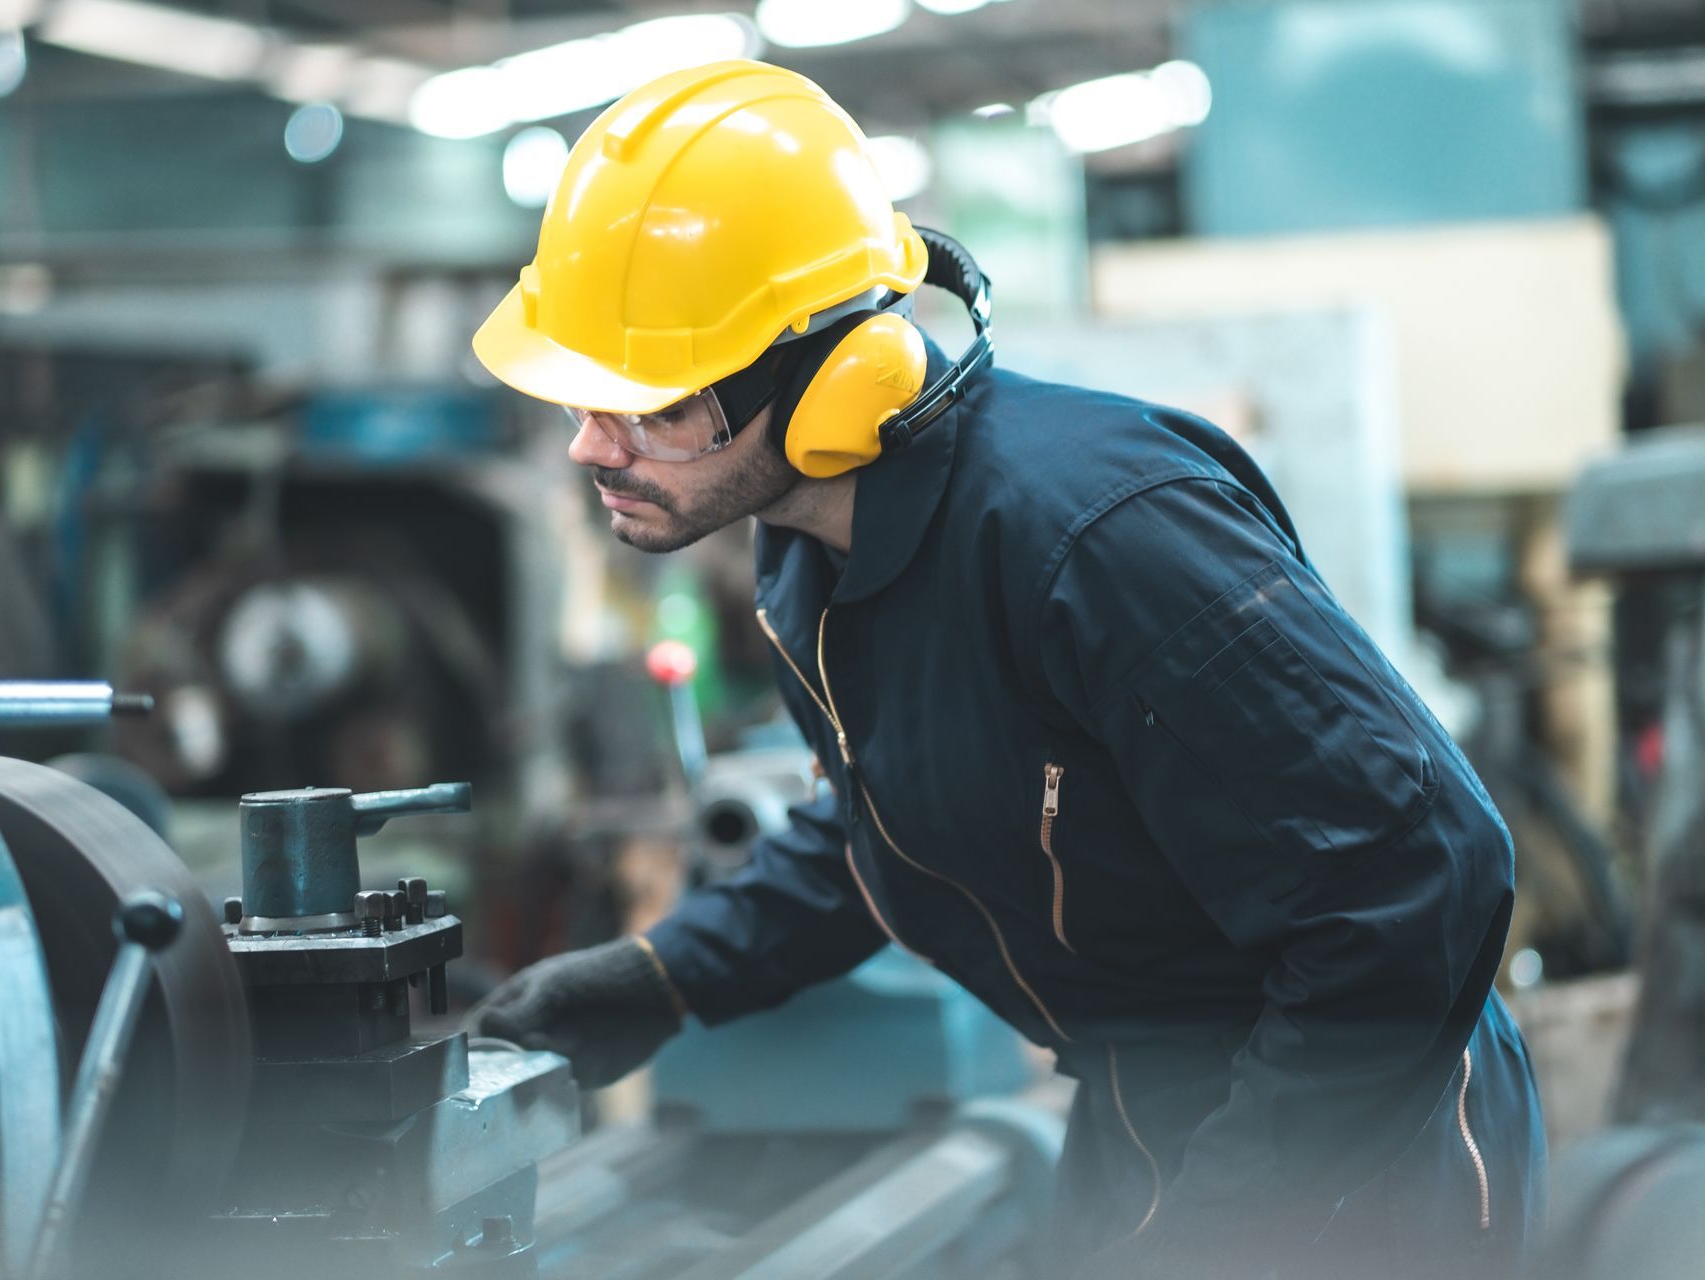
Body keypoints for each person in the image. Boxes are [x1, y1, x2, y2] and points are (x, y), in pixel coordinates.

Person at [468, 59, 1545, 1280]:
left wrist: (1234, 1221)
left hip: (1355, 1134)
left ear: (830, 376)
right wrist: (660, 977)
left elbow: (1419, 888)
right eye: (582, 395)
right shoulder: (808, 557)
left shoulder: (1101, 537)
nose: (589, 446)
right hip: (1137, 1106)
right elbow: (903, 820)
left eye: (649, 404)